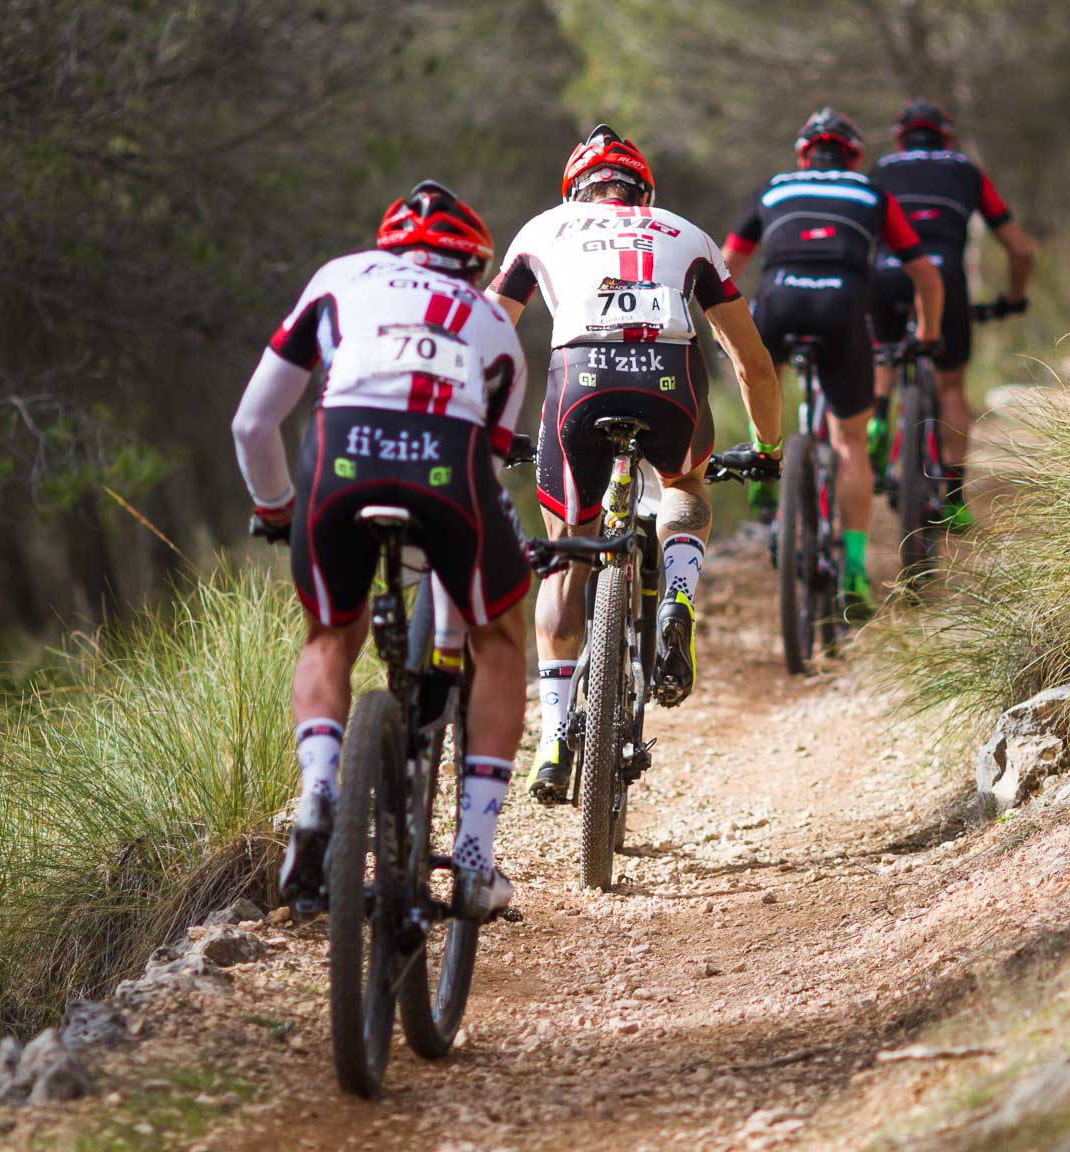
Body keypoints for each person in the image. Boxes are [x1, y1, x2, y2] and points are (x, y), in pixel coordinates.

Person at [232, 180, 531, 922]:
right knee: (500, 635)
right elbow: (486, 487)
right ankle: (472, 857)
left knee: (331, 633)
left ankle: (319, 791)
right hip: (448, 466)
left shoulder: (337, 279)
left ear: (387, 246)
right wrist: (456, 627)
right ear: (472, 262)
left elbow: (252, 424)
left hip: (342, 457)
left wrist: (276, 510)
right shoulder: (495, 322)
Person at [489, 125, 785, 807]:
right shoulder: (687, 233)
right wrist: (768, 449)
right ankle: (678, 600)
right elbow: (753, 362)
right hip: (668, 380)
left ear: (576, 190)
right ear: (643, 190)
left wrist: (491, 430)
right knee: (683, 484)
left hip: (577, 381)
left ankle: (555, 738)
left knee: (568, 557)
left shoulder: (543, 229)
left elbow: (488, 333)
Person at [722, 106, 943, 615]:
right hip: (843, 309)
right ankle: (856, 572)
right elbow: (926, 276)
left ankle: (763, 465)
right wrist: (927, 336)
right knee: (850, 445)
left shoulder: (773, 189)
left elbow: (727, 266)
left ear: (804, 156)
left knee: (760, 376)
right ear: (854, 155)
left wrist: (727, 336)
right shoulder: (871, 193)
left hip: (777, 303)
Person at [867, 99, 1036, 533]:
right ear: (947, 137)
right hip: (944, 281)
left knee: (881, 352)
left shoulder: (881, 170)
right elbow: (1021, 249)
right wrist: (1013, 297)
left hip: (886, 276)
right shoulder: (966, 171)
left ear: (899, 138)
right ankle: (955, 499)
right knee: (951, 386)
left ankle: (877, 420)